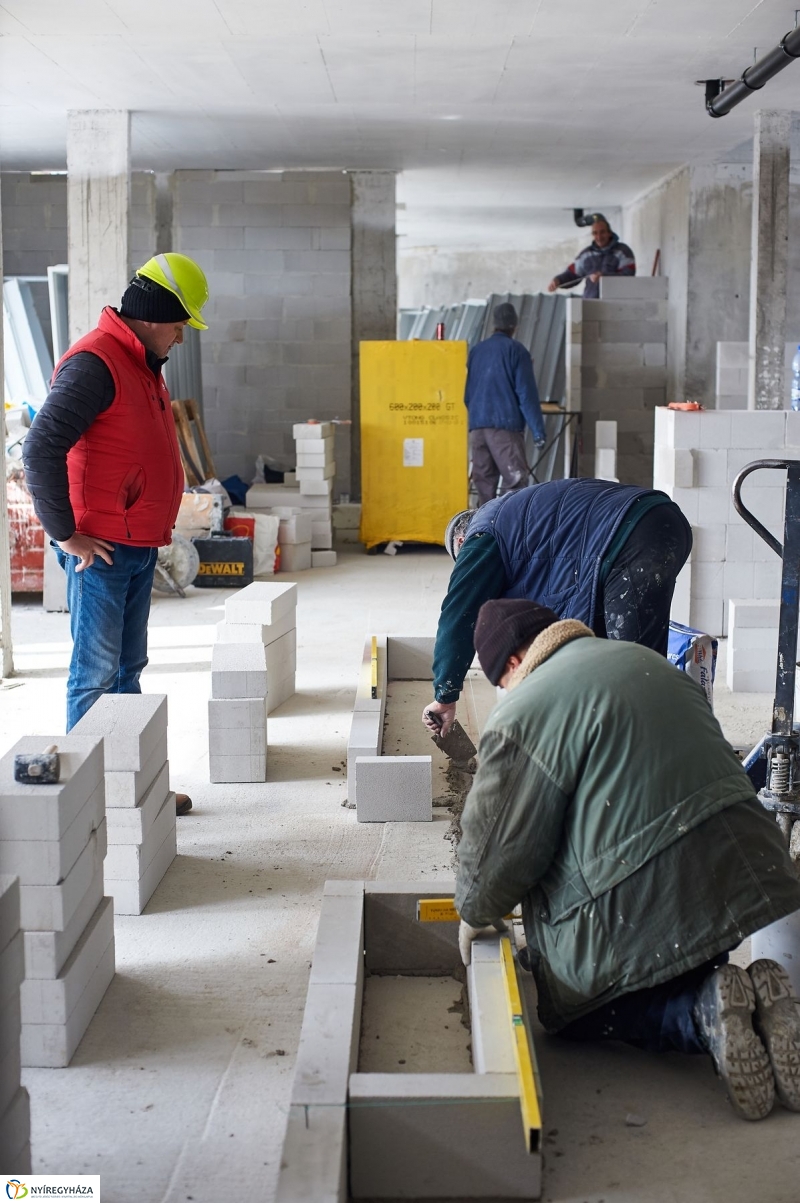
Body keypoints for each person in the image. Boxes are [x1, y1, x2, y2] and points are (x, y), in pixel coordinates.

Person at [456, 597, 800, 1122]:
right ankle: (744, 992)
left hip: (653, 888)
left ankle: (700, 1013)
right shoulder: (648, 662)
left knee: (573, 1010)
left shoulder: (523, 712)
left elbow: (502, 850)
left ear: (509, 665)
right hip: (745, 872)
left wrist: (473, 908)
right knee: (681, 947)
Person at [22, 253, 210, 816]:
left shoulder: (140, 363)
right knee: (96, 674)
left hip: (133, 544)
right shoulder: (95, 364)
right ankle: (88, 800)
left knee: (128, 671)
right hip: (98, 550)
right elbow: (40, 448)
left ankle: (132, 786)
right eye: (180, 324)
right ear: (157, 316)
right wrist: (65, 534)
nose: (181, 337)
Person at [422, 479, 691, 737]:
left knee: (634, 672)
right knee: (633, 663)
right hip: (662, 520)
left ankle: (652, 760)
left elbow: (459, 614)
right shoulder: (519, 523)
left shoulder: (482, 535)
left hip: (631, 534)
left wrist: (444, 696)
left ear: (460, 543)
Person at [463, 302, 546, 507]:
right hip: (504, 428)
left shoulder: (476, 351)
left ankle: (483, 533)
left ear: (494, 324)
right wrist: (538, 432)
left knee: (483, 484)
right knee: (515, 483)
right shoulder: (516, 351)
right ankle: (510, 534)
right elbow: (526, 394)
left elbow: (467, 396)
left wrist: (478, 419)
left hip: (477, 429)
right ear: (514, 326)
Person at [547, 216, 635, 300]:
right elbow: (572, 273)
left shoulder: (623, 251)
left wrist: (604, 277)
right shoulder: (586, 254)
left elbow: (628, 275)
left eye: (602, 232)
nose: (599, 237)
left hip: (616, 304)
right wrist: (558, 280)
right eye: (595, 233)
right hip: (590, 304)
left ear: (609, 233)